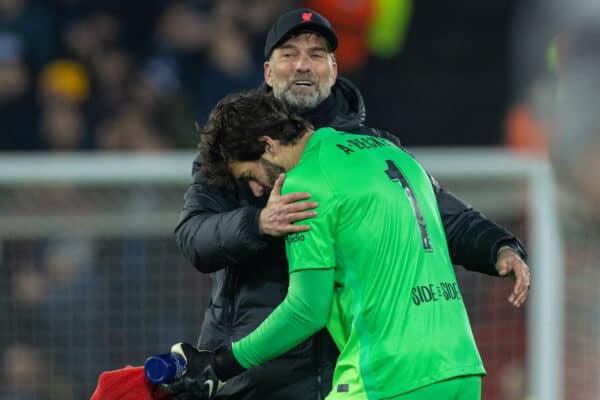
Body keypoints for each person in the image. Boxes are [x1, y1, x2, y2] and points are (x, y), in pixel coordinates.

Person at [173, 8, 531, 400]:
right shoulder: (233, 149)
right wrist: (258, 225)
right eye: (289, 54)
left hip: (352, 367)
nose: (303, 66)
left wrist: (497, 245)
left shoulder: (362, 154)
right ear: (268, 71)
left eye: (316, 54)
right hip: (263, 372)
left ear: (334, 68)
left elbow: (437, 212)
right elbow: (193, 236)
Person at [164, 90, 489, 400]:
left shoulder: (306, 182)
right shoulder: (389, 153)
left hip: (388, 375)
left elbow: (307, 310)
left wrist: (221, 365)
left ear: (268, 145)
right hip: (460, 365)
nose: (256, 190)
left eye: (250, 174)